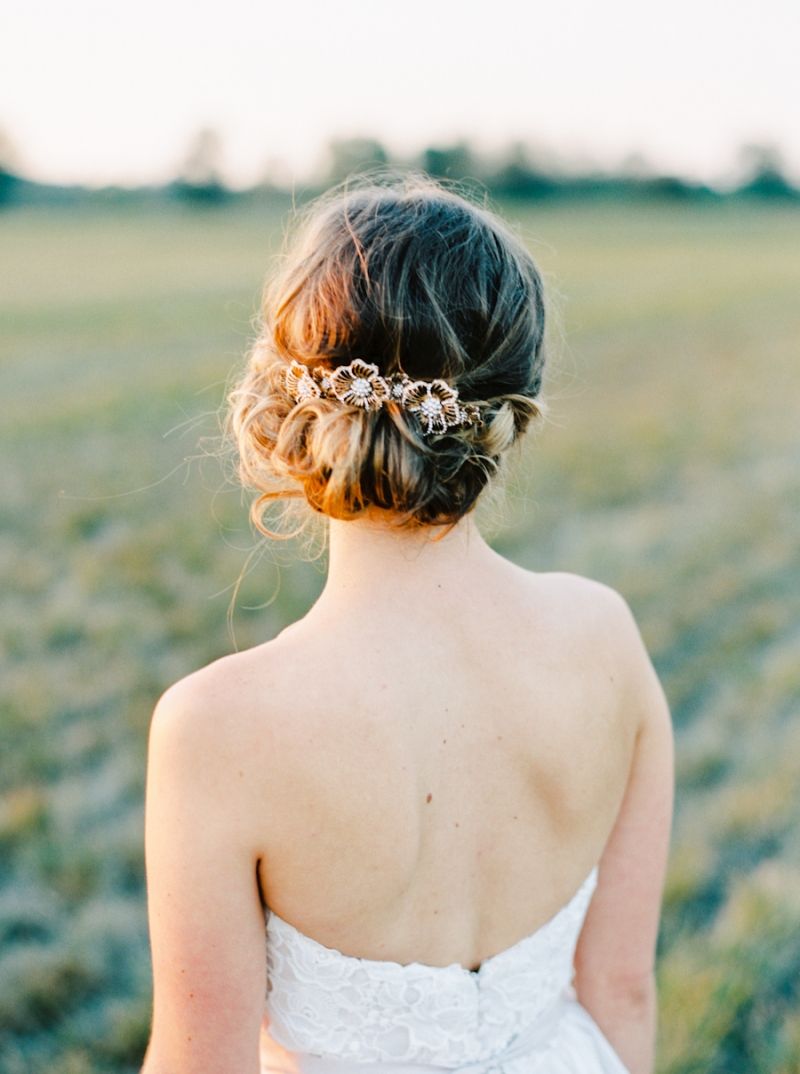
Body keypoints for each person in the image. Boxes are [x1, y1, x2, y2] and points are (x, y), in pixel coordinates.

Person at [140, 171, 673, 1074]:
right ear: (510, 408)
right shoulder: (606, 637)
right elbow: (621, 990)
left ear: (288, 397)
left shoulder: (216, 730)